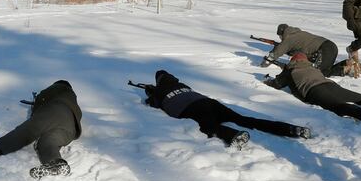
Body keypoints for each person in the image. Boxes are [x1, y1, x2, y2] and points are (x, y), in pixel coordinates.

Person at [133, 70, 311, 150]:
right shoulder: (182, 84)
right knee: (245, 119)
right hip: (209, 103)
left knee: (209, 127)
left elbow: (151, 103)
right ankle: (291, 129)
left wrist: (151, 91)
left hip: (192, 109)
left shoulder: (159, 92)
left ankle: (233, 136)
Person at [0, 80, 82, 179]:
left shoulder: (58, 87)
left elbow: (41, 98)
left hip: (54, 111)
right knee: (47, 142)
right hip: (70, 127)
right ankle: (56, 163)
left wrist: (36, 109)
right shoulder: (73, 100)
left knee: (26, 131)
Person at [264, 53, 361, 129]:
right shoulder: (313, 68)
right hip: (331, 85)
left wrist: (268, 80)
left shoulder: (290, 70)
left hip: (314, 91)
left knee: (339, 107)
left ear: (292, 61)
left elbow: (277, 84)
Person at [261, 23, 355, 77]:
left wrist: (265, 63)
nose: (280, 38)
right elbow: (300, 49)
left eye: (280, 36)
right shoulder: (297, 33)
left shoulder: (289, 38)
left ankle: (346, 69)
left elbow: (276, 53)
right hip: (330, 46)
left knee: (319, 73)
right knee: (326, 68)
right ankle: (346, 63)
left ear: (282, 34)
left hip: (324, 49)